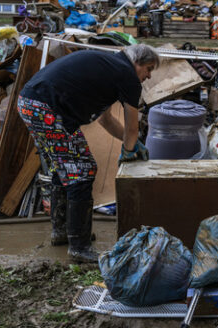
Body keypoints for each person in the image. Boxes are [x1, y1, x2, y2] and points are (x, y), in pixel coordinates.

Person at [17, 44, 159, 262]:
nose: (148, 76)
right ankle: (79, 246)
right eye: (149, 68)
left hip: (31, 102)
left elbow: (106, 121)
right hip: (46, 107)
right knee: (82, 170)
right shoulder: (127, 75)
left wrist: (132, 143)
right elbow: (132, 127)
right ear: (137, 62)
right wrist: (129, 150)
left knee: (64, 168)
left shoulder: (111, 67)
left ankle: (63, 232)